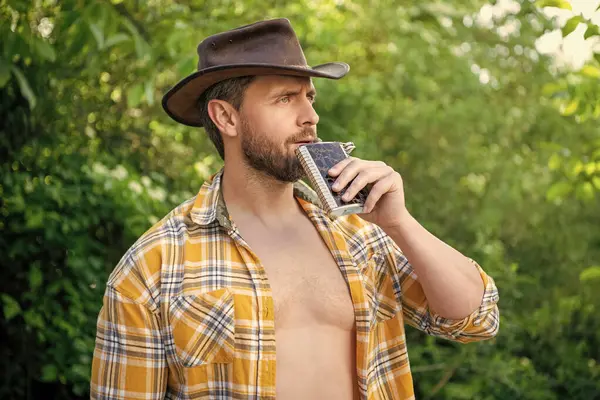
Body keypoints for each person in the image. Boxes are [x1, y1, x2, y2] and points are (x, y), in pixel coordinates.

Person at [90, 18, 499, 400]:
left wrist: (399, 223)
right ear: (226, 117)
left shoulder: (360, 234)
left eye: (309, 97)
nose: (311, 116)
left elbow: (476, 318)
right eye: (285, 98)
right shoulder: (152, 268)